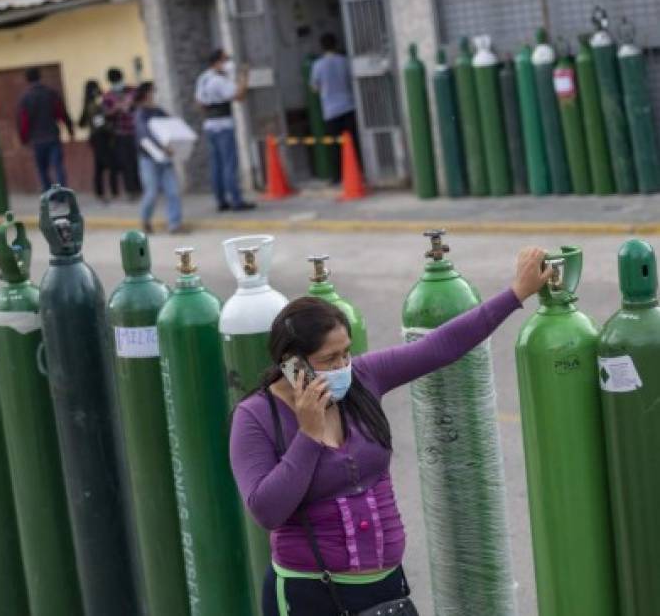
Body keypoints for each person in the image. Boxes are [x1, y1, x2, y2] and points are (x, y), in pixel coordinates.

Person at [229, 248, 552, 616]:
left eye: (345, 353)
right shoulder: (255, 417)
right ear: (292, 364)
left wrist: (515, 294)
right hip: (311, 596)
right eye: (328, 360)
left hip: (386, 591)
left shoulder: (362, 379)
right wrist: (308, 434)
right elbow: (267, 510)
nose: (342, 366)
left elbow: (440, 346)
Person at [194, 49, 256, 212]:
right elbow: (239, 96)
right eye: (225, 60)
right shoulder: (219, 80)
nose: (228, 63)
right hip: (223, 126)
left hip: (210, 125)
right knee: (229, 164)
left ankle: (221, 200)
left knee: (216, 165)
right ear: (217, 62)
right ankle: (236, 200)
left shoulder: (203, 78)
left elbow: (199, 103)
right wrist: (244, 77)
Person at [133, 82, 183, 235]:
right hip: (148, 159)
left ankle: (174, 224)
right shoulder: (140, 114)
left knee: (173, 191)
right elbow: (144, 135)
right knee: (151, 192)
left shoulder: (159, 111)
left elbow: (171, 127)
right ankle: (145, 220)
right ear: (146, 94)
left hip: (165, 159)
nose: (155, 94)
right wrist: (162, 147)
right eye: (153, 91)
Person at [310, 33, 361, 181]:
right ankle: (356, 171)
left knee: (335, 145)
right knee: (352, 142)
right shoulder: (344, 61)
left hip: (331, 110)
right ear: (336, 44)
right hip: (348, 106)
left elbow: (314, 87)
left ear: (322, 47)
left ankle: (338, 176)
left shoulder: (317, 65)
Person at [18, 67, 75, 191]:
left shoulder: (25, 99)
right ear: (40, 77)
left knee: (42, 169)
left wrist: (24, 139)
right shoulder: (51, 93)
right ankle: (63, 193)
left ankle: (49, 195)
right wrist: (70, 129)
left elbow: (24, 122)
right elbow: (61, 113)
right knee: (58, 166)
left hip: (37, 139)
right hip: (52, 136)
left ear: (27, 80)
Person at [102, 67, 140, 197]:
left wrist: (131, 103)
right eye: (114, 81)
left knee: (138, 161)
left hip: (136, 131)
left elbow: (140, 105)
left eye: (117, 80)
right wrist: (116, 108)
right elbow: (106, 114)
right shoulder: (108, 96)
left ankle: (140, 188)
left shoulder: (133, 91)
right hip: (121, 133)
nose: (116, 83)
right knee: (126, 163)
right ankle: (131, 190)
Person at [79, 79, 118, 202]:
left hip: (96, 138)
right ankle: (112, 192)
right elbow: (99, 123)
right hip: (100, 137)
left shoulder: (90, 104)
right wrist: (111, 129)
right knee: (110, 165)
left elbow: (84, 123)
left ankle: (100, 193)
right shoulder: (93, 105)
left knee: (99, 167)